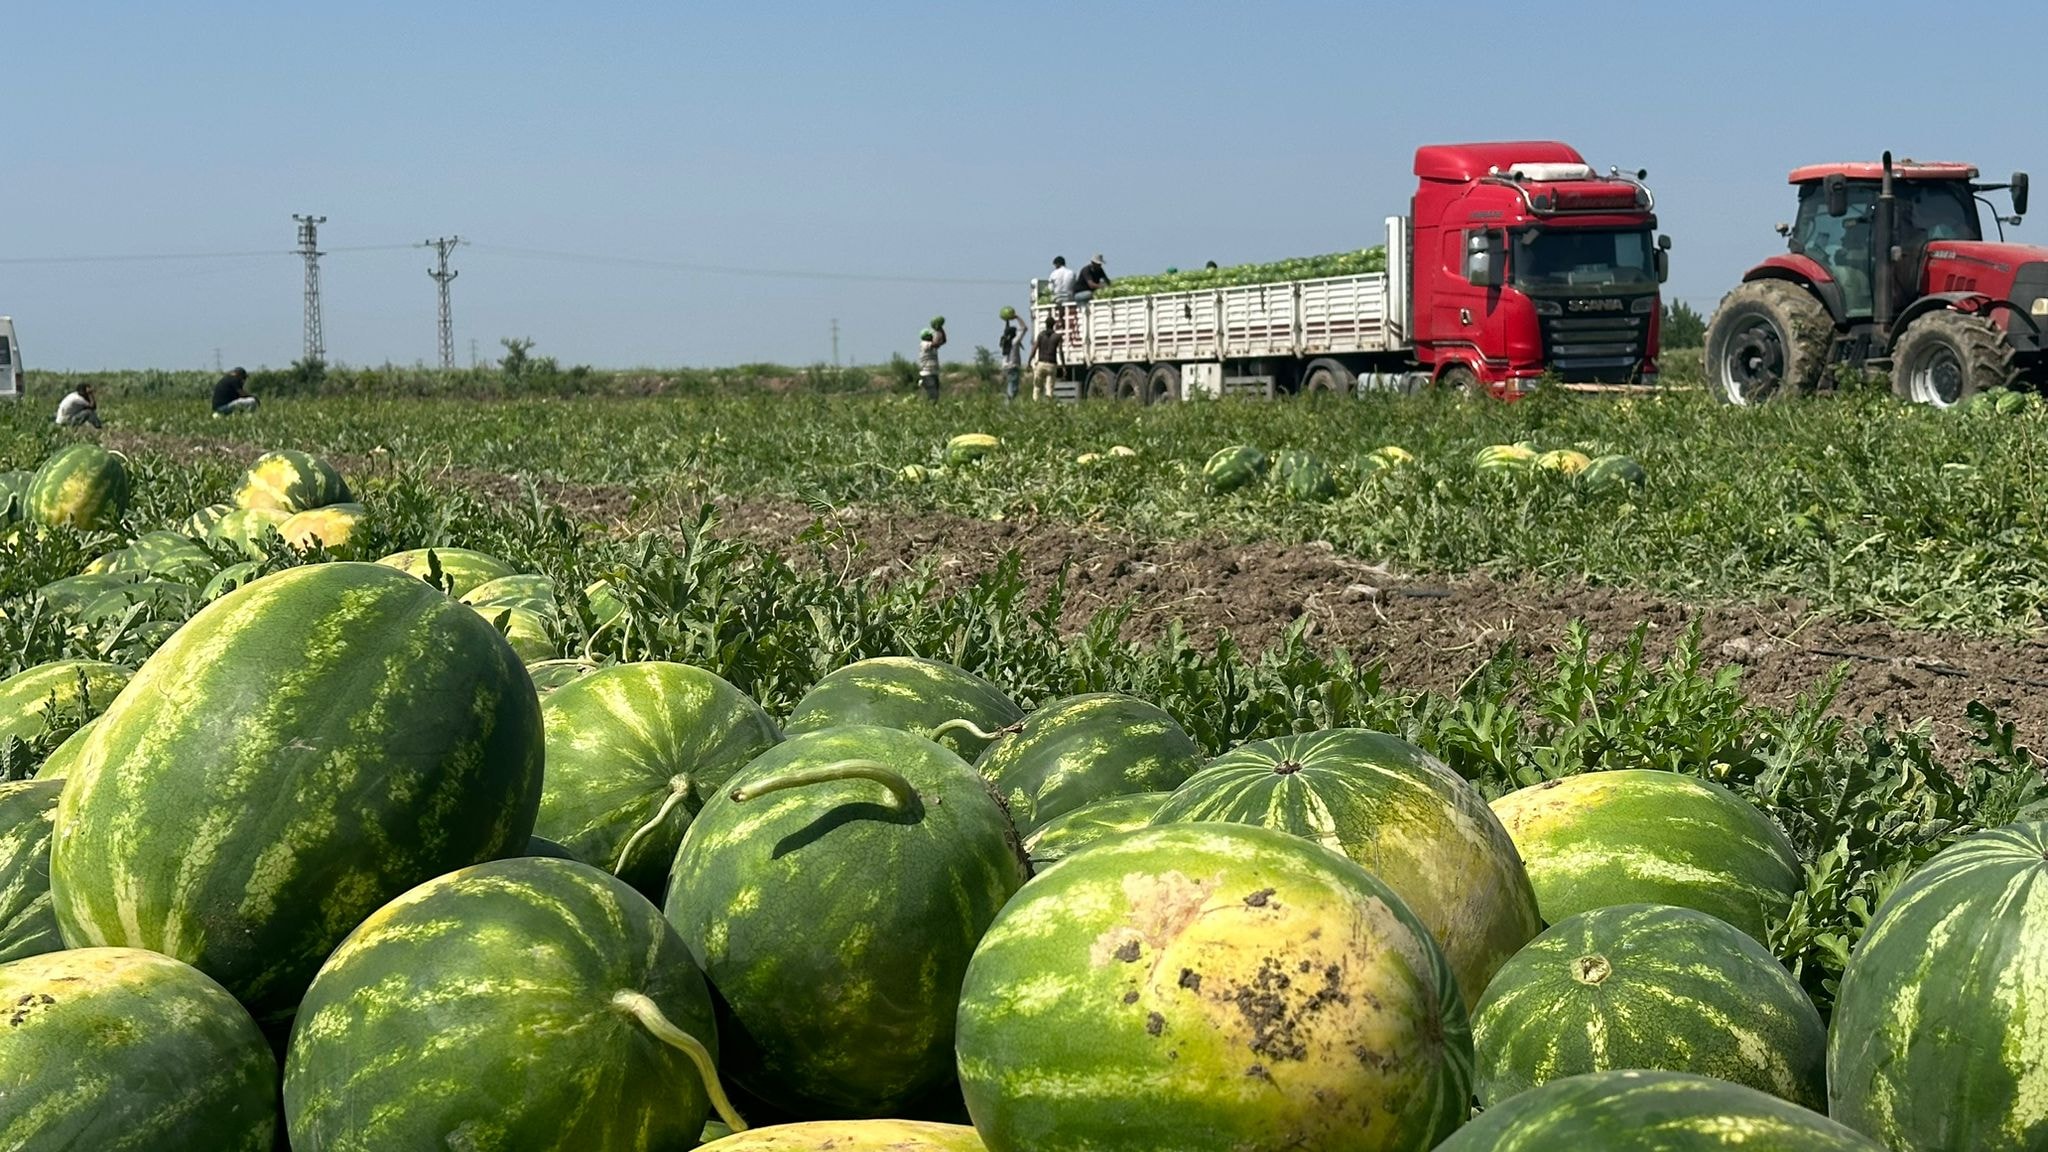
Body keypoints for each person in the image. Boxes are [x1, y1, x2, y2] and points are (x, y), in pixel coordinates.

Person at [1030, 317, 1062, 400]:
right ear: (1054, 325)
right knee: (1049, 388)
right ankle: (1048, 405)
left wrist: (1029, 360)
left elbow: (1034, 348)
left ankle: (1035, 404)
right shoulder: (1057, 336)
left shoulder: (1041, 335)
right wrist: (1063, 365)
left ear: (1046, 324)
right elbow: (1061, 352)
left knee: (1037, 387)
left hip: (1041, 363)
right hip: (1052, 364)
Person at [918, 320, 947, 402]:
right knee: (933, 395)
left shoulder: (931, 346)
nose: (932, 336)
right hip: (927, 374)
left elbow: (943, 341)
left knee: (936, 395)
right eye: (931, 335)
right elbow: (937, 343)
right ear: (927, 336)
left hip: (933, 373)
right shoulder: (924, 344)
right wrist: (937, 330)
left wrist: (941, 329)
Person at [999, 315, 1024, 402]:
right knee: (1013, 389)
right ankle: (1007, 406)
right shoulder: (1015, 342)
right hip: (1013, 366)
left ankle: (1008, 404)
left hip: (1005, 367)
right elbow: (1024, 328)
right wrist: (1017, 317)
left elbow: (1006, 331)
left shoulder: (1005, 341)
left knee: (1011, 386)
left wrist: (1007, 321)